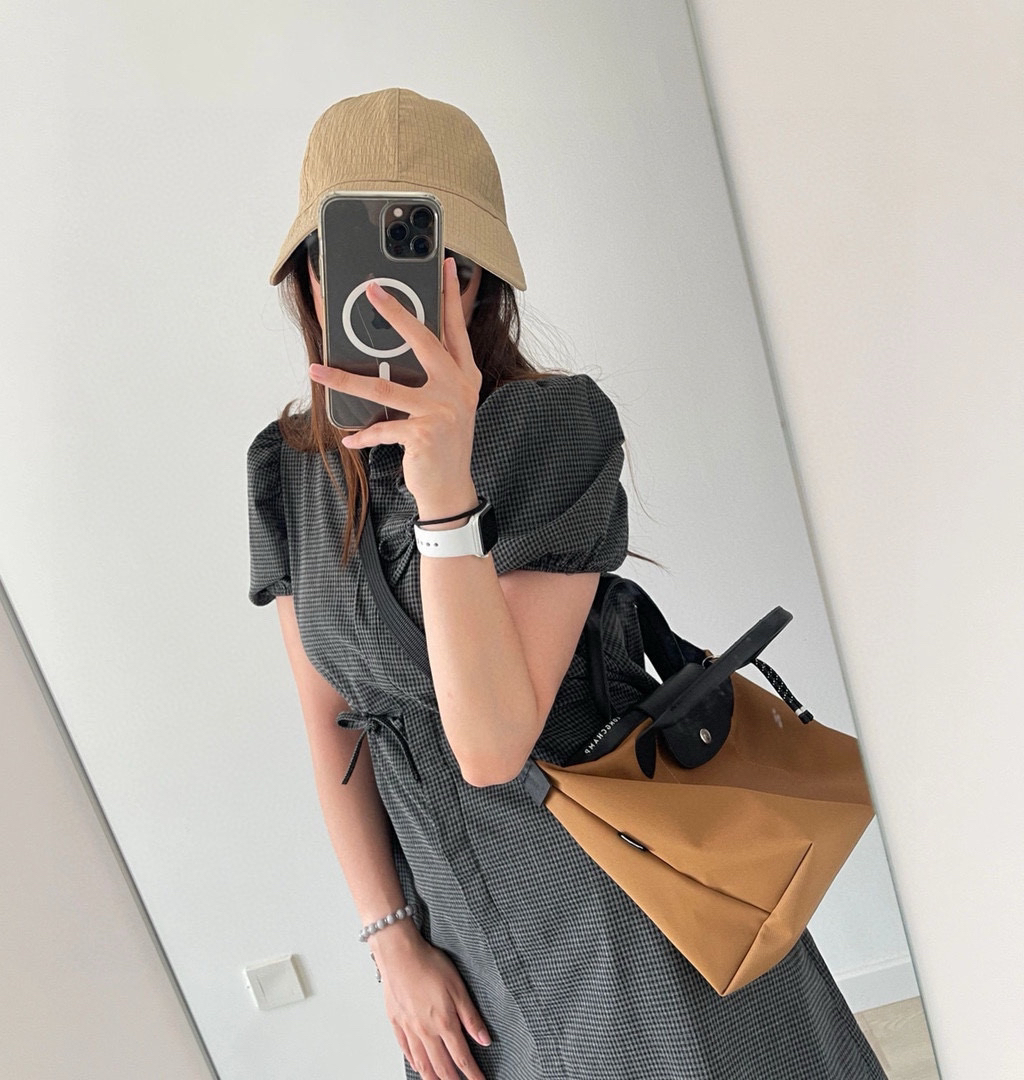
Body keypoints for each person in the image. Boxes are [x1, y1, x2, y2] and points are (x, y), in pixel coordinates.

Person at [247, 87, 887, 1080]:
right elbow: (329, 720)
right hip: (454, 939)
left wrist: (444, 489)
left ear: (473, 284)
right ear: (310, 278)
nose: (386, 303)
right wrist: (391, 941)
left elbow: (492, 745)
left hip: (619, 909)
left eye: (426, 263)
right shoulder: (285, 470)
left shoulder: (554, 429)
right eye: (348, 262)